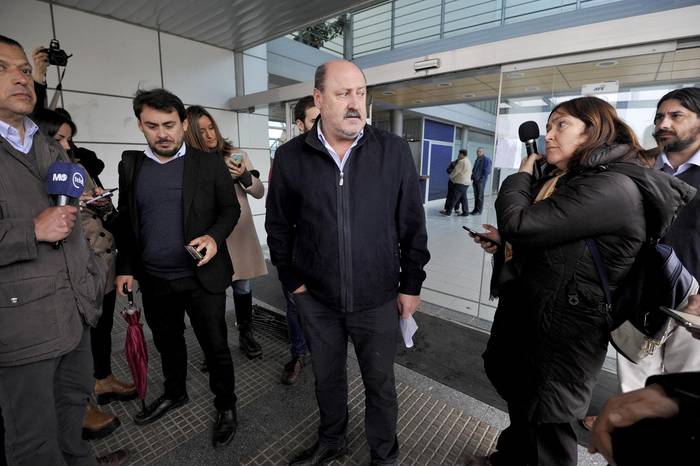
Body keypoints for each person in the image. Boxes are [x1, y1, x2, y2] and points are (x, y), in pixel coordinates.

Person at [468, 96, 692, 466]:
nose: (548, 136)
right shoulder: (579, 179)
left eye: (561, 125)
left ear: (593, 132)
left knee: (547, 427)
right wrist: (506, 243)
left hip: (562, 335)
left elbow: (521, 225)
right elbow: (557, 241)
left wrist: (522, 174)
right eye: (548, 126)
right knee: (527, 411)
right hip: (542, 318)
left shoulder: (610, 187)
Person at [266, 60, 430, 466]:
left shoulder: (391, 151)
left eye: (360, 93)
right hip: (317, 299)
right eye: (343, 94)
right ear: (319, 99)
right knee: (327, 380)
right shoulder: (291, 157)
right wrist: (293, 283)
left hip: (377, 298)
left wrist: (410, 285)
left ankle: (384, 456)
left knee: (380, 385)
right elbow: (278, 225)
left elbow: (412, 223)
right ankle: (332, 440)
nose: (355, 103)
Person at [0, 35, 126, 465]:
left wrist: (90, 279)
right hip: (22, 325)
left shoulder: (49, 145)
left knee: (72, 414)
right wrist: (28, 230)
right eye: (3, 68)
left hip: (74, 311)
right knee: (34, 440)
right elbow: (40, 227)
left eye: (22, 69)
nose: (19, 77)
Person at [114, 88, 240, 448]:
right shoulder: (131, 165)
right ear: (140, 126)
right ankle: (175, 392)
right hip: (155, 278)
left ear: (184, 124)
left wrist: (215, 238)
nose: (162, 133)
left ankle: (226, 405)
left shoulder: (208, 162)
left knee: (215, 345)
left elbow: (229, 210)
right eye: (152, 126)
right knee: (167, 342)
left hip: (202, 277)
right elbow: (127, 221)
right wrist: (126, 267)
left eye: (169, 124)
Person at [33, 108, 137, 441]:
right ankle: (80, 404)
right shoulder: (32, 174)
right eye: (59, 138)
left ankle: (103, 378)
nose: (66, 144)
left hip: (100, 262)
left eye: (69, 137)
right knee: (73, 341)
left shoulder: (77, 168)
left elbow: (106, 211)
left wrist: (100, 202)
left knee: (102, 328)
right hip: (66, 271)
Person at [615, 87, 700, 392]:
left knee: (682, 385)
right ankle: (627, 427)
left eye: (676, 115)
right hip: (639, 289)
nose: (663, 123)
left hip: (692, 296)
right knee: (634, 374)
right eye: (660, 116)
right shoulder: (643, 168)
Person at [184, 105, 267, 359]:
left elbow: (259, 191)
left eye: (212, 128)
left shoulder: (235, 155)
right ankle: (217, 349)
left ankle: (246, 333)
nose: (210, 135)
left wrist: (244, 176)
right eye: (202, 131)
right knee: (213, 294)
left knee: (242, 286)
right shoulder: (187, 163)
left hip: (239, 234)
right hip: (210, 236)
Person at [589, 295, 700, 466]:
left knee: (677, 402)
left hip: (675, 289)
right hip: (654, 287)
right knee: (634, 392)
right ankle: (625, 431)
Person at [275, 96, 319, 385]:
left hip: (329, 261)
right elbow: (276, 219)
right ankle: (299, 354)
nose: (322, 126)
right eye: (315, 120)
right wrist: (286, 269)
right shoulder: (287, 159)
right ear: (299, 124)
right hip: (296, 258)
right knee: (295, 308)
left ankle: (325, 355)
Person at [440, 149, 471, 216]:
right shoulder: (468, 160)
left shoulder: (461, 161)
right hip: (466, 183)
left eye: (459, 154)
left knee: (454, 198)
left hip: (460, 182)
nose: (458, 155)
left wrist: (451, 177)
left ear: (462, 154)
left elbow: (455, 171)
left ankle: (448, 212)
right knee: (463, 198)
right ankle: (465, 212)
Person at [469, 147, 492, 215]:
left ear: (483, 152)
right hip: (475, 180)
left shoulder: (486, 160)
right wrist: (472, 177)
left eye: (479, 151)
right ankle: (475, 210)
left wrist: (481, 179)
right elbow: (474, 169)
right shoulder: (477, 159)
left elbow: (487, 171)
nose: (478, 153)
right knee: (476, 196)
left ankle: (479, 211)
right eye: (477, 151)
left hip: (481, 181)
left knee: (479, 196)